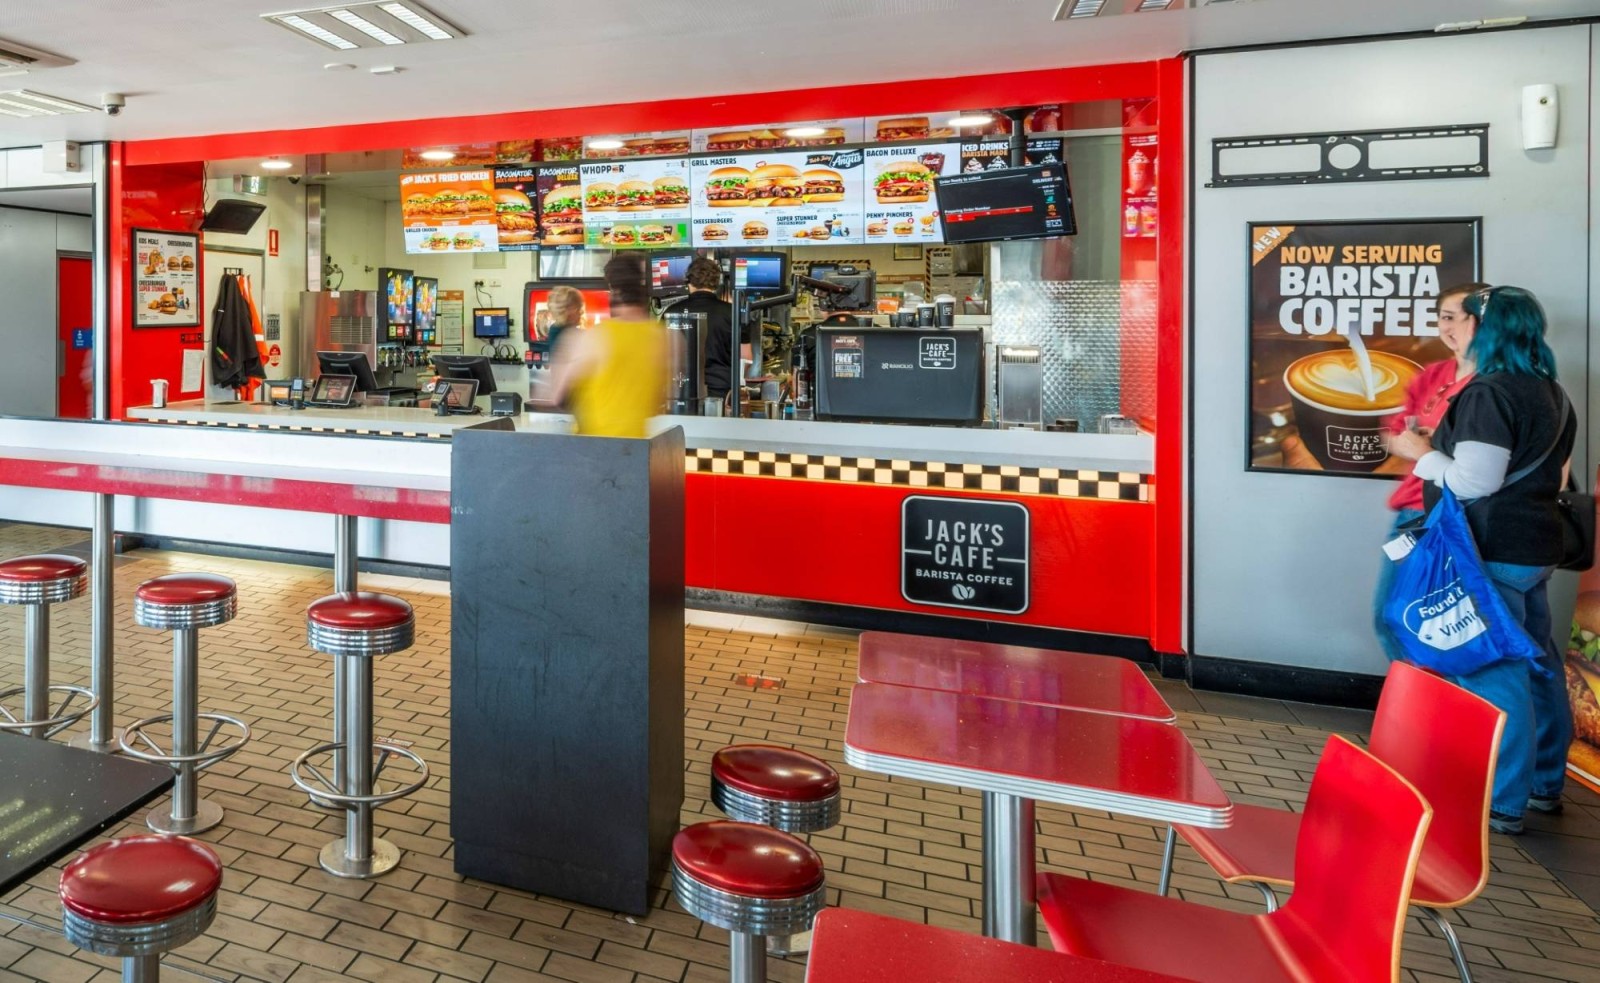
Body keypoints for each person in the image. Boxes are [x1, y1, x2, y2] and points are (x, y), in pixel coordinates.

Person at [1387, 286, 1576, 835]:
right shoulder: (1551, 390)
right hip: (1534, 547)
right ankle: (1544, 783)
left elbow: (1475, 482)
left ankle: (1504, 800)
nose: (1454, 328)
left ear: (1486, 328)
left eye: (1463, 319)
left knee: (1497, 672)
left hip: (1490, 551)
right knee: (1539, 664)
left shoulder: (1490, 392)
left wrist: (1421, 454)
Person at [1372, 282, 1489, 661]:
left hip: (1469, 518)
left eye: (1467, 318)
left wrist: (1432, 442)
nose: (1455, 327)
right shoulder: (1433, 375)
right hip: (1415, 515)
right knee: (1392, 617)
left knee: (1463, 632)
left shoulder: (1499, 382)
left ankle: (1439, 695)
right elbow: (1393, 435)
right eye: (1446, 317)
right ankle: (1419, 695)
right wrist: (1416, 442)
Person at [535, 252, 666, 438]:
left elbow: (554, 395)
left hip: (596, 445)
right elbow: (657, 402)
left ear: (613, 289)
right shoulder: (661, 336)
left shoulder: (592, 337)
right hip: (639, 445)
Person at [665, 256, 738, 399]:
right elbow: (746, 358)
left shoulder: (671, 312)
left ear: (688, 281)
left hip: (680, 390)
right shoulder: (732, 312)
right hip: (721, 389)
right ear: (716, 283)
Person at [543, 285, 585, 352]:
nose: (582, 312)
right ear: (565, 311)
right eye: (578, 308)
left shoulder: (554, 328)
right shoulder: (567, 335)